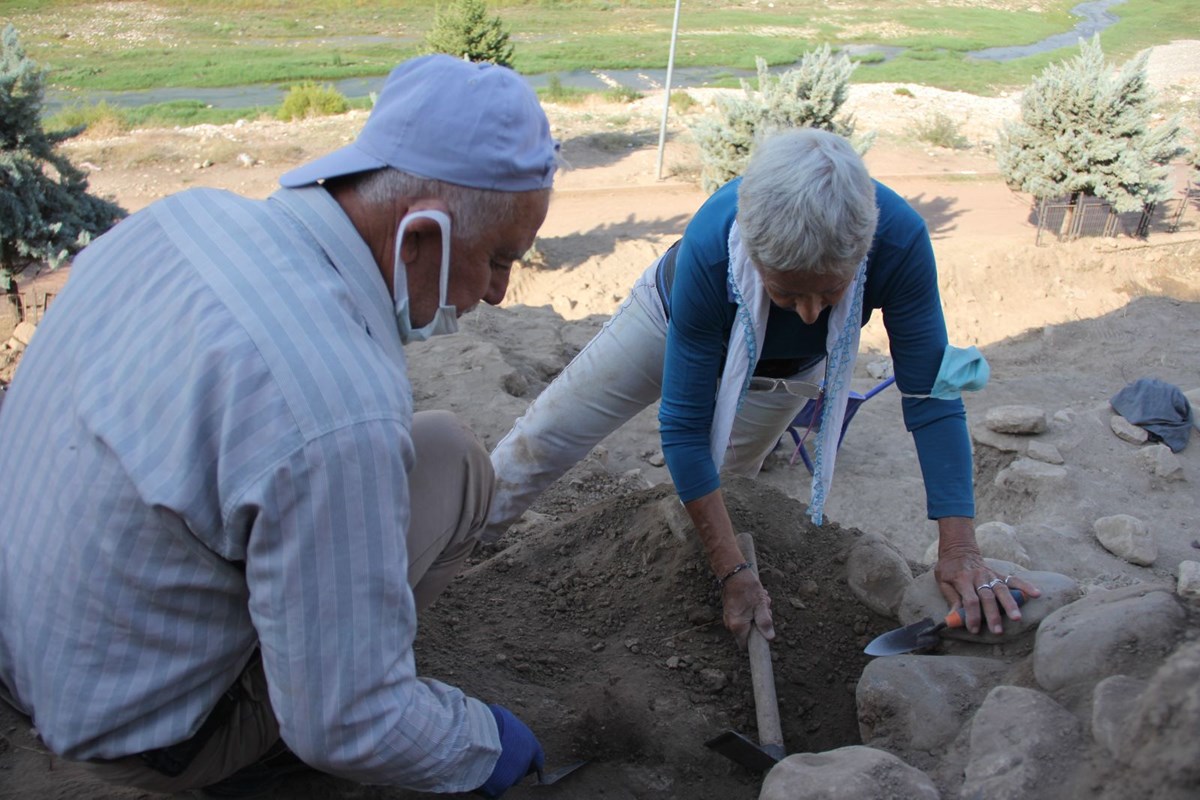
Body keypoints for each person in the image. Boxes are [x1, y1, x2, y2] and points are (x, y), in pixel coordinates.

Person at [0, 54, 557, 798]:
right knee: (347, 704)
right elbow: (349, 722)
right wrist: (481, 746)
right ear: (419, 234)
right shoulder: (334, 401)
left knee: (450, 457)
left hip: (31, 651)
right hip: (139, 740)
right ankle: (258, 756)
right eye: (497, 259)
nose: (497, 292)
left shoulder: (182, 216)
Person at [486, 128, 1040, 649]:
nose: (808, 312)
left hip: (786, 371)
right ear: (751, 256)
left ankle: (695, 606)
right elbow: (680, 428)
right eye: (786, 294)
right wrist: (734, 570)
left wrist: (960, 548)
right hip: (670, 319)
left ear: (862, 253)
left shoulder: (900, 243)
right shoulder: (714, 244)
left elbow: (931, 399)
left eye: (830, 294)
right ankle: (448, 546)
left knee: (730, 491)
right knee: (546, 435)